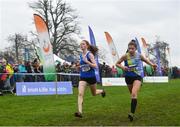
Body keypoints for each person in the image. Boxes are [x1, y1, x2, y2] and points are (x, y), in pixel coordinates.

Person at [116, 40, 157, 121]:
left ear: (135, 48)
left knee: (134, 93)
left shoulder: (139, 55)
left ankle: (131, 113)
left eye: (132, 48)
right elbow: (117, 63)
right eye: (129, 48)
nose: (131, 50)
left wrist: (152, 64)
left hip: (137, 76)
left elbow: (145, 60)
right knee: (132, 94)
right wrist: (123, 67)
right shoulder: (125, 56)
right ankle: (137, 88)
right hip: (128, 77)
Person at [74, 40, 106, 118]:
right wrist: (78, 68)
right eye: (80, 44)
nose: (81, 46)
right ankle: (80, 112)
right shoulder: (81, 55)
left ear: (87, 46)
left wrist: (87, 62)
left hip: (91, 77)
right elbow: (83, 67)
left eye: (83, 44)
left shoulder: (90, 54)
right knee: (80, 94)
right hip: (83, 77)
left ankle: (102, 91)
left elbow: (95, 66)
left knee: (94, 93)